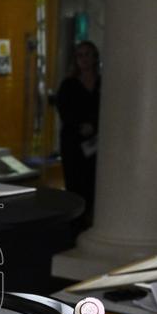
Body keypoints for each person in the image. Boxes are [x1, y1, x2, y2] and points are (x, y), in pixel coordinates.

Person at [55, 40, 101, 225]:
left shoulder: (102, 83)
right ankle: (75, 225)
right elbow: (64, 110)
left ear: (95, 57)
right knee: (75, 184)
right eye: (80, 55)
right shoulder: (68, 85)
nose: (84, 59)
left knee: (94, 183)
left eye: (87, 54)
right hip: (74, 142)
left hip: (97, 143)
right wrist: (80, 125)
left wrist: (94, 125)